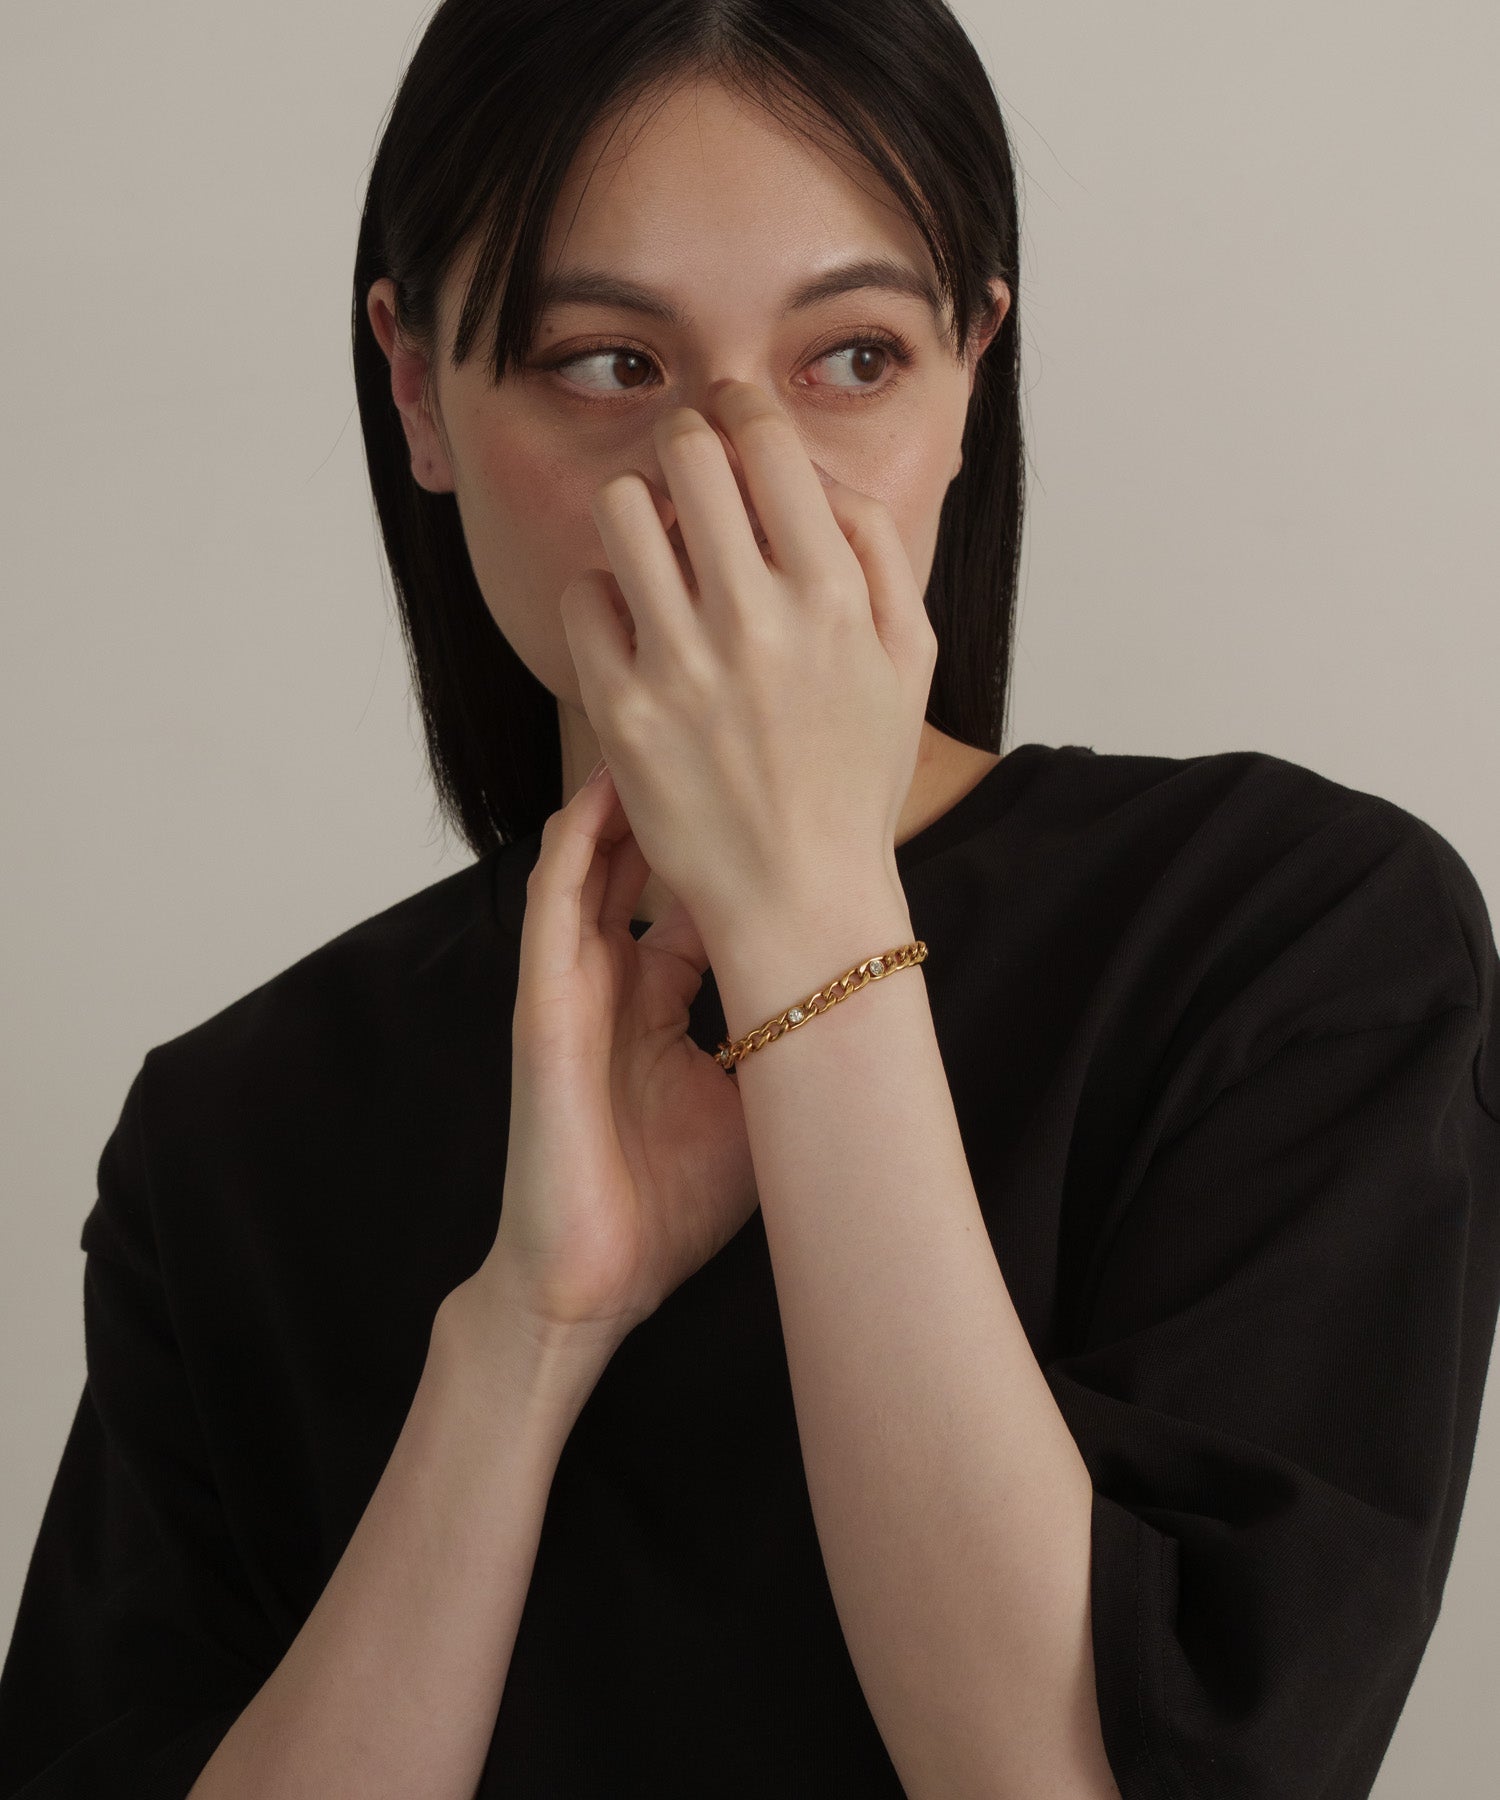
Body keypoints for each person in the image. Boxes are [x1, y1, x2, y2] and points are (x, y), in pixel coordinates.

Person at [3, 3, 1498, 1797]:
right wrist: (526, 1336)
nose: (731, 475)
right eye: (608, 363)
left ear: (972, 374)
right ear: (415, 390)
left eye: (852, 358)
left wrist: (808, 926)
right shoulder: (234, 1136)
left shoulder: (1293, 949)